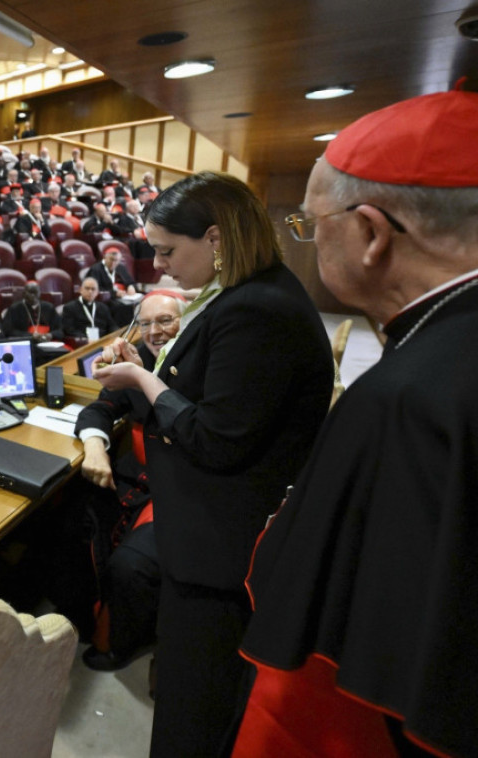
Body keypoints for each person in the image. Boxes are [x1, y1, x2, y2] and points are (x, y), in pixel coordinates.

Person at [233, 85, 478, 758]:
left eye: (312, 226)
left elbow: (352, 680)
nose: (309, 243)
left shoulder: (404, 400)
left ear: (370, 233)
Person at [90, 171, 333, 757]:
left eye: (170, 250)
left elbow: (215, 436)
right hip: (208, 530)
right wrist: (152, 360)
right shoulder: (248, 292)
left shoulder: (259, 309)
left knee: (193, 708)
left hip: (220, 547)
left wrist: (143, 377)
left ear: (217, 239)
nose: (161, 265)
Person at [71, 291, 184, 671]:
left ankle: (119, 643)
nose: (156, 331)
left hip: (178, 490)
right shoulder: (138, 361)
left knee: (130, 566)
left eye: (166, 320)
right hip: (133, 480)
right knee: (72, 522)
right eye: (148, 323)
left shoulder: (198, 365)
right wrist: (94, 446)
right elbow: (99, 408)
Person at [88, 246, 139, 325]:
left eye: (116, 260)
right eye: (111, 259)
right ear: (105, 257)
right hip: (108, 299)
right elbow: (94, 288)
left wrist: (131, 286)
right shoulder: (96, 269)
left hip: (124, 296)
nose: (113, 263)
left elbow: (130, 281)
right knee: (122, 307)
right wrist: (114, 293)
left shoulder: (121, 267)